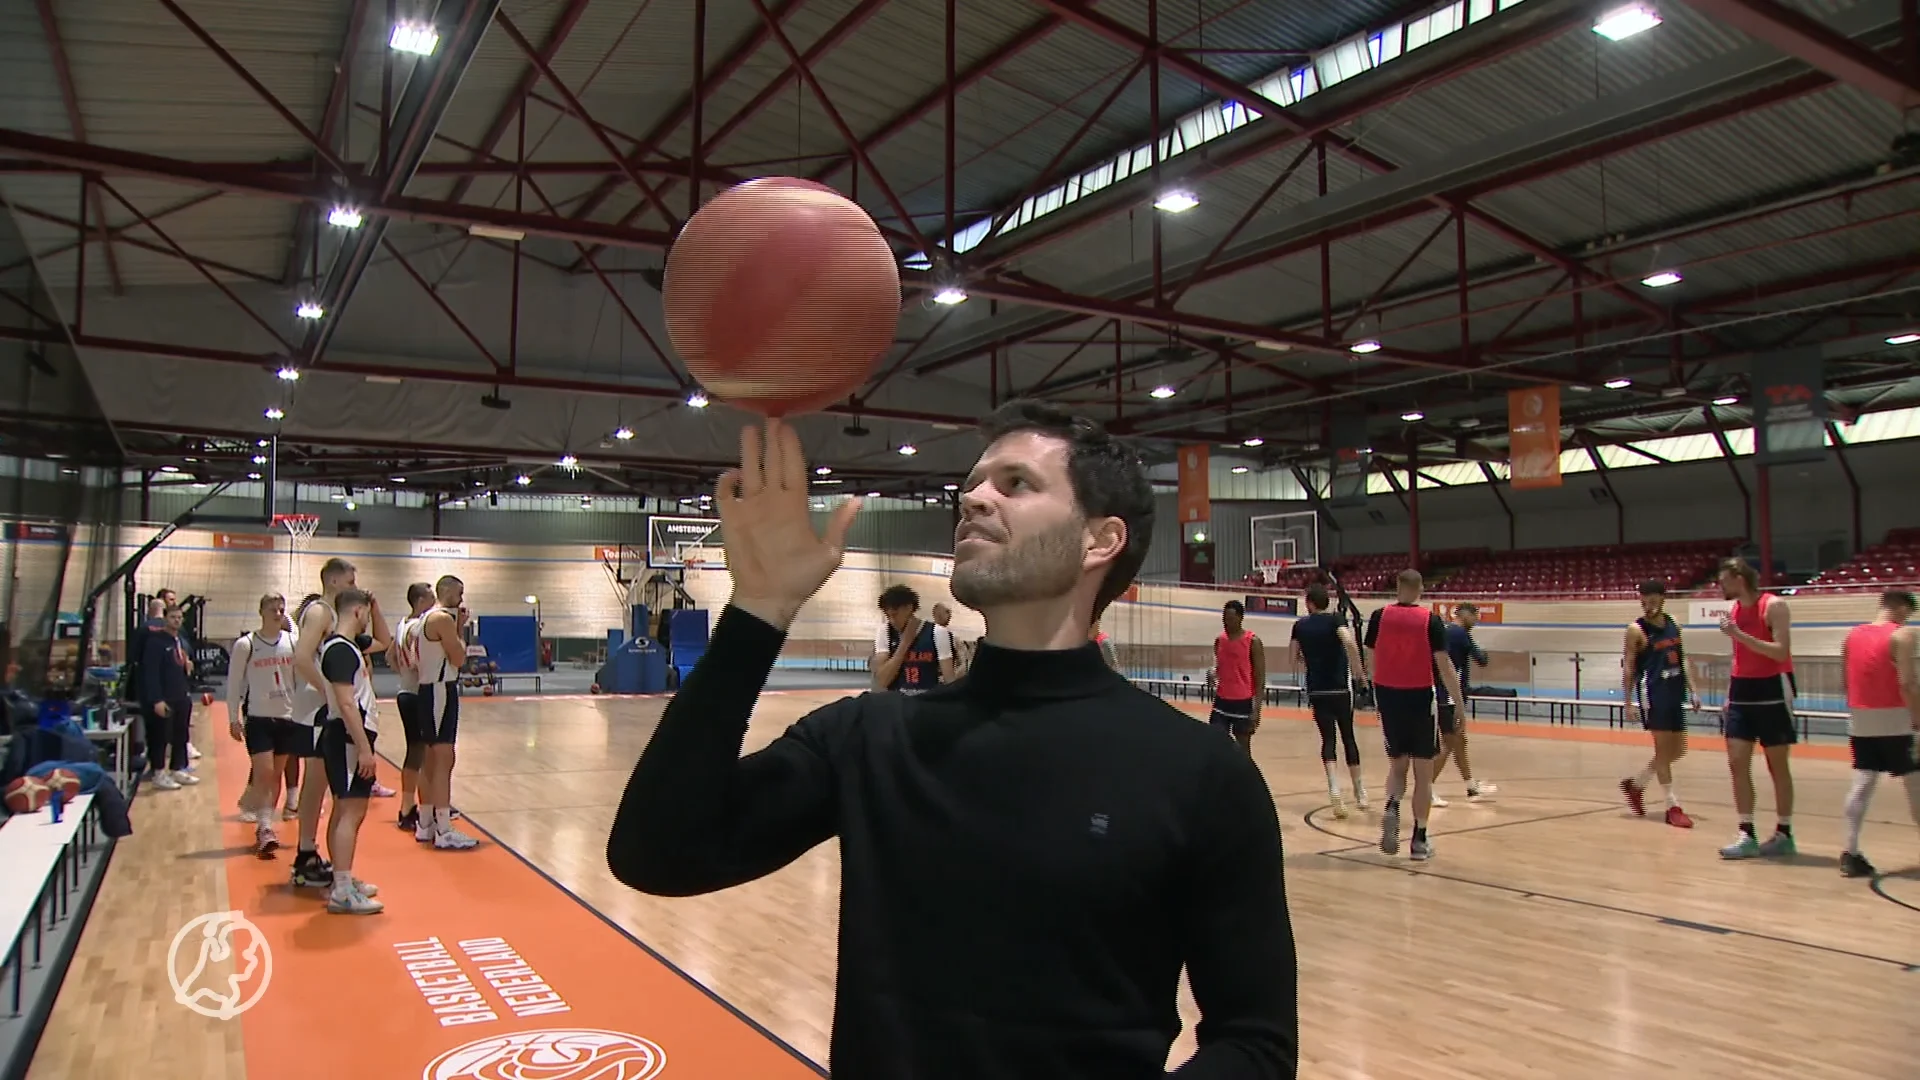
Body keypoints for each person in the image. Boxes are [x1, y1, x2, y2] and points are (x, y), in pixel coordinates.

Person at [608, 404, 1296, 1078]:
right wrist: (760, 610)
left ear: (1101, 539)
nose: (973, 498)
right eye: (971, 485)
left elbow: (1255, 1043)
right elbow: (658, 851)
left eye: (1015, 483)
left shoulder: (1200, 773)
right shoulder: (870, 739)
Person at [289, 558, 390, 888]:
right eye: (349, 581)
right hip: (318, 711)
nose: (354, 586)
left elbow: (383, 642)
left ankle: (321, 858)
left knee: (328, 792)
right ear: (332, 581)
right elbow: (302, 658)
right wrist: (330, 690)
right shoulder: (321, 612)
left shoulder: (340, 622)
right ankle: (306, 854)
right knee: (318, 787)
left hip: (327, 709)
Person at [1365, 570, 1465, 862]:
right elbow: (1444, 666)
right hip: (1420, 696)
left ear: (1397, 587)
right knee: (1423, 772)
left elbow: (1370, 655)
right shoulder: (1430, 621)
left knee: (1398, 765)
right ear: (1420, 589)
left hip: (1388, 694)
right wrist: (1458, 703)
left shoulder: (1378, 616)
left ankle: (1392, 804)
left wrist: (1377, 686)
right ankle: (1419, 839)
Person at [1714, 558, 1797, 859]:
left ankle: (1784, 832)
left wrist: (1740, 635)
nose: (1720, 585)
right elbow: (1738, 656)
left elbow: (1780, 651)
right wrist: (1729, 694)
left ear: (1739, 577)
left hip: (1773, 687)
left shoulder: (1773, 606)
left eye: (1723, 579)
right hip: (1741, 691)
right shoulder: (1735, 609)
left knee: (1777, 766)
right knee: (1737, 762)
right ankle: (1746, 832)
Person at [1838, 589, 1920, 878]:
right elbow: (1908, 682)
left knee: (1862, 783)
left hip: (1861, 717)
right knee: (1915, 784)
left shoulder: (1851, 635)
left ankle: (1850, 852)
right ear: (1900, 609)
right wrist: (1917, 719)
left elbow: (1844, 680)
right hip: (1896, 716)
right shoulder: (1903, 635)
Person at [316, 588, 383, 915]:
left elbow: (384, 641)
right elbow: (345, 702)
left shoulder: (346, 647)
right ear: (357, 612)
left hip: (346, 736)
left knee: (345, 810)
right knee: (350, 811)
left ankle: (341, 878)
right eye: (367, 612)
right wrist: (364, 748)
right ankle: (342, 891)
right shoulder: (340, 650)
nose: (368, 619)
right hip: (346, 736)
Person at [408, 575, 478, 849]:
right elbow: (459, 658)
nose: (461, 598)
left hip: (428, 689)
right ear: (446, 591)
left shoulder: (425, 619)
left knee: (430, 759)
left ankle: (426, 823)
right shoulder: (441, 620)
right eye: (459, 593)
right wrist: (460, 628)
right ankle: (443, 828)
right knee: (443, 760)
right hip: (440, 689)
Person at [1619, 581, 1695, 829]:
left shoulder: (1674, 623)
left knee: (1679, 750)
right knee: (1663, 751)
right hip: (1653, 692)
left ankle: (1637, 785)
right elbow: (1629, 667)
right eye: (1644, 598)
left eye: (1653, 598)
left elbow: (1683, 657)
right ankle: (1672, 806)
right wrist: (1628, 702)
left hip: (1675, 691)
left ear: (1663, 599)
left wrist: (1693, 689)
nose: (1648, 602)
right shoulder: (1636, 630)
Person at [228, 593, 299, 856]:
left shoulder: (293, 642)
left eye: (281, 609)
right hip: (258, 718)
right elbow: (234, 684)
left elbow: (302, 678)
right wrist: (233, 718)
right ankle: (264, 825)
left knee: (276, 774)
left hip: (287, 717)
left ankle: (267, 824)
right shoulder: (246, 645)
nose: (278, 613)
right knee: (264, 773)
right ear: (261, 611)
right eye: (272, 609)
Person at [1290, 583, 1366, 816]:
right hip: (1340, 688)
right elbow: (1350, 642)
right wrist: (1359, 672)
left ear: (1309, 603)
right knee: (1348, 737)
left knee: (1328, 740)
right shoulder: (1335, 620)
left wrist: (1308, 661)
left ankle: (1334, 787)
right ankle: (1359, 792)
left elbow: (1293, 657)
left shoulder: (1300, 626)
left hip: (1317, 689)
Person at [1429, 604, 1495, 806]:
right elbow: (1481, 659)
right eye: (1475, 617)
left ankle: (1471, 786)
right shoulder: (1459, 633)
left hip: (1440, 693)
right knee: (1449, 743)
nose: (1476, 621)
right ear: (1464, 615)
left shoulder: (1445, 632)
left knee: (1459, 741)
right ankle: (1426, 788)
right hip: (1448, 696)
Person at [389, 582, 436, 833]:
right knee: (421, 754)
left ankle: (416, 805)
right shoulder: (419, 627)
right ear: (420, 600)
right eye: (431, 597)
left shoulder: (401, 624)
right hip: (417, 694)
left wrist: (403, 672)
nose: (435, 601)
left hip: (405, 690)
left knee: (417, 752)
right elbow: (419, 661)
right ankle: (411, 808)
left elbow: (390, 657)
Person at [138, 603, 197, 790]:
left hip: (181, 693)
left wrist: (187, 665)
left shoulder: (179, 640)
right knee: (161, 736)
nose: (177, 620)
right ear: (165, 618)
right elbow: (151, 673)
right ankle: (158, 773)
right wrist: (156, 699)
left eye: (179, 617)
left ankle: (177, 769)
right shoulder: (155, 642)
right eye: (173, 617)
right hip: (165, 697)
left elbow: (182, 661)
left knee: (181, 734)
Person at [870, 584, 954, 694]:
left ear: (909, 608)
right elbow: (882, 681)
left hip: (925, 701)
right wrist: (904, 644)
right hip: (896, 702)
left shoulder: (938, 632)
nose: (892, 621)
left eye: (895, 615)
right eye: (888, 616)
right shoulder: (885, 631)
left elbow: (950, 681)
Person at [1210, 601, 1265, 753]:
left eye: (1231, 619)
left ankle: (1244, 776)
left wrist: (1257, 710)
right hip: (1221, 702)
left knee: (1242, 749)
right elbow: (1220, 666)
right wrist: (1213, 672)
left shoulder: (1253, 642)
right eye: (1224, 618)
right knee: (1215, 742)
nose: (1226, 623)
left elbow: (1260, 677)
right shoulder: (1219, 640)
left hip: (1243, 702)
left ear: (1240, 618)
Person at [930, 601, 970, 673]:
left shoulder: (927, 635)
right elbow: (963, 661)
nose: (950, 614)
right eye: (947, 612)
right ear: (935, 615)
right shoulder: (951, 637)